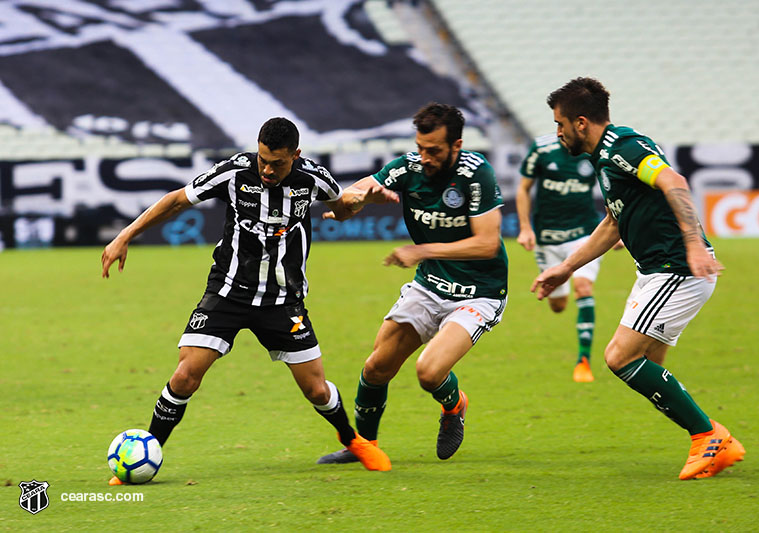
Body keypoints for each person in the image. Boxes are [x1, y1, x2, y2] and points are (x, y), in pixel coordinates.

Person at [101, 117, 398, 480]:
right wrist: (125, 235)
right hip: (227, 293)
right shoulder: (234, 173)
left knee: (317, 390)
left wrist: (358, 202)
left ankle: (354, 442)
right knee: (185, 376)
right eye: (263, 160)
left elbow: (340, 207)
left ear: (296, 156)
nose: (268, 170)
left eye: (278, 163)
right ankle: (146, 451)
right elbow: (176, 200)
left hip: (283, 301)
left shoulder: (313, 178)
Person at [533, 77, 745, 480]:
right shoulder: (604, 157)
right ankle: (712, 439)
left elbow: (674, 182)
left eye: (560, 123)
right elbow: (612, 223)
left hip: (677, 269)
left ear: (581, 123)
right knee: (647, 364)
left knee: (619, 357)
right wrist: (565, 267)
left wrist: (694, 245)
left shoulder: (624, 147)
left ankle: (709, 437)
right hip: (657, 270)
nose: (557, 133)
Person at [317, 102, 508, 464]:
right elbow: (350, 200)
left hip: (479, 292)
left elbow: (487, 244)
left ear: (457, 145)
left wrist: (421, 250)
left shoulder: (476, 173)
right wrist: (353, 201)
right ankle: (362, 447)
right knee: (376, 367)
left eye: (434, 150)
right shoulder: (409, 166)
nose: (425, 157)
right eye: (420, 148)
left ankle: (455, 406)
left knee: (428, 371)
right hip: (430, 286)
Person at [516, 132, 620, 382]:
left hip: (584, 234)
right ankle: (560, 298)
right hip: (548, 237)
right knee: (558, 305)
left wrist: (617, 228)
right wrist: (525, 227)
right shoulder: (541, 148)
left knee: (583, 287)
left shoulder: (592, 151)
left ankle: (583, 361)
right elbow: (523, 188)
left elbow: (612, 188)